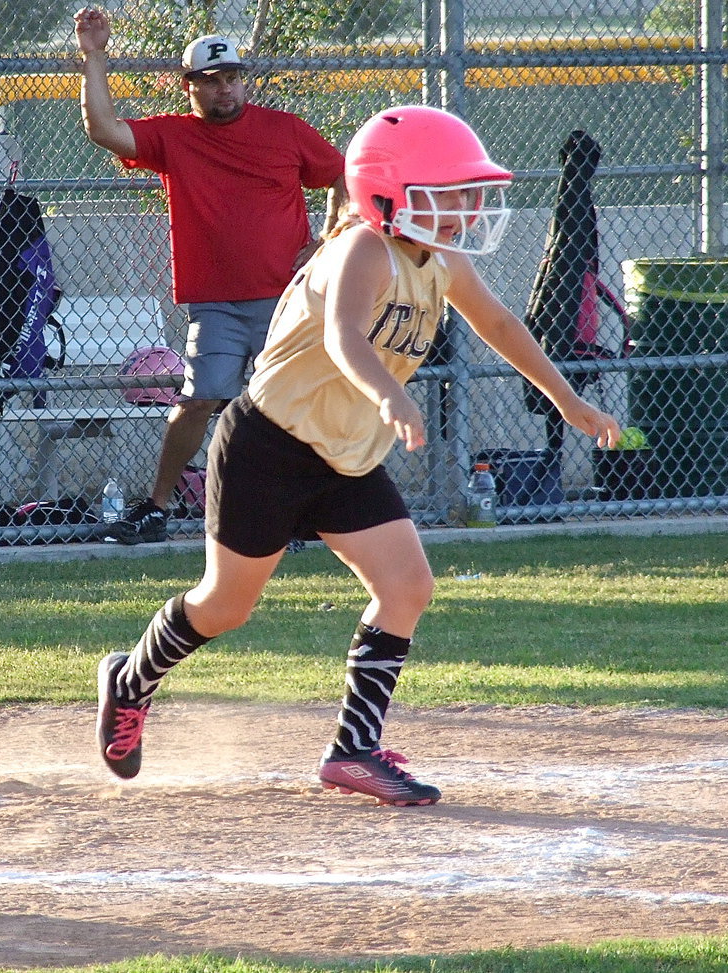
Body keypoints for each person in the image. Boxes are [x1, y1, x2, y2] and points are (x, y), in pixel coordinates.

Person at [94, 105, 622, 806]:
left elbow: (497, 321)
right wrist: (388, 396)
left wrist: (564, 397)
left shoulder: (437, 258)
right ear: (392, 191)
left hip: (344, 457)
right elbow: (345, 336)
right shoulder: (361, 250)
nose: (469, 206)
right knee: (224, 606)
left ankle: (353, 749)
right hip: (270, 448)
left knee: (407, 586)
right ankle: (131, 679)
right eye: (454, 191)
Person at [74, 8, 346, 543]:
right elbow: (102, 129)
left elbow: (342, 176)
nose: (226, 89)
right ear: (190, 88)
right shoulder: (175, 137)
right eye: (212, 81)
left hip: (287, 298)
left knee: (293, 404)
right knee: (198, 401)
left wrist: (327, 241)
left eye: (232, 78)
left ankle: (305, 508)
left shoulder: (283, 129)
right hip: (217, 303)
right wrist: (94, 56)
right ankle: (157, 507)